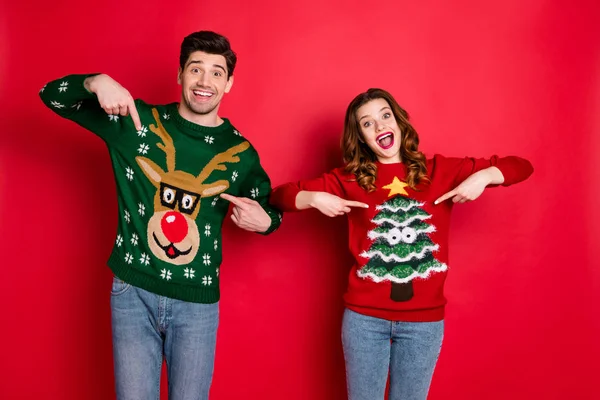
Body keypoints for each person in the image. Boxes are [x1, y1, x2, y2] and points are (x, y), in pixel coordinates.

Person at [39, 31, 282, 400]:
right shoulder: (137, 122)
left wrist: (267, 223)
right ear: (180, 74)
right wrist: (96, 82)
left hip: (197, 303)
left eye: (217, 73)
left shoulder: (240, 152)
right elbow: (51, 96)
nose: (205, 81)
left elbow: (266, 206)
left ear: (229, 83)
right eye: (195, 69)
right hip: (132, 293)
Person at [269, 88, 533, 400]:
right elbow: (278, 196)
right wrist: (312, 198)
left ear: (398, 121)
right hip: (364, 322)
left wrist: (486, 175)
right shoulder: (349, 180)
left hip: (423, 325)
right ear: (361, 138)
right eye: (367, 124)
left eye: (385, 116)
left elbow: (522, 166)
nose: (379, 126)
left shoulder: (440, 171)